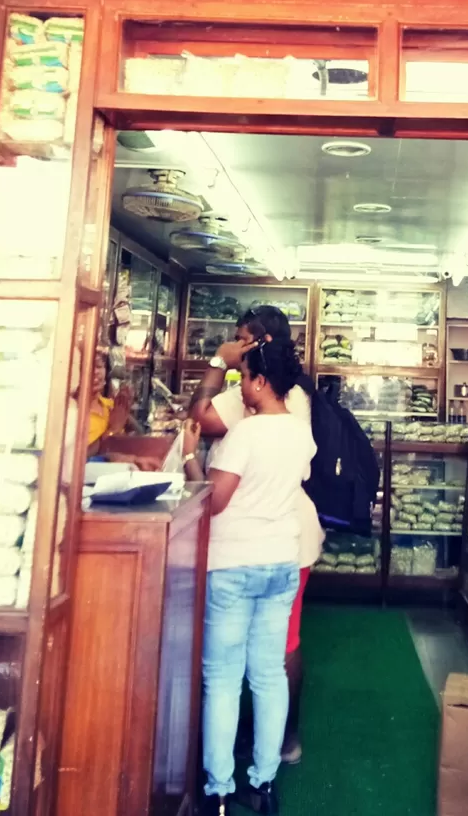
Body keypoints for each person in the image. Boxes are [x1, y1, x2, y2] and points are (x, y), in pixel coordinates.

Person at [182, 338, 316, 816]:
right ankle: (264, 784)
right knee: (267, 675)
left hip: (233, 563)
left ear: (262, 381)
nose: (240, 390)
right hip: (280, 561)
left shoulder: (245, 434)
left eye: (243, 381)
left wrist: (188, 457)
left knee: (221, 678)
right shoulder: (300, 432)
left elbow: (213, 500)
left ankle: (218, 788)